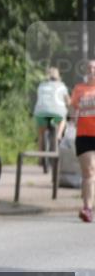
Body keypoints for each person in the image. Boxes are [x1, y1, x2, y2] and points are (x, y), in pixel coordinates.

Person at [69, 60, 95, 224]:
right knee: (89, 171)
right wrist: (72, 118)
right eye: (89, 68)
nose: (92, 70)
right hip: (85, 135)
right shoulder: (79, 89)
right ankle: (87, 208)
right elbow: (72, 109)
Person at [34, 66, 70, 152]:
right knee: (63, 119)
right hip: (57, 113)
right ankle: (58, 135)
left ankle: (40, 157)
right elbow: (68, 101)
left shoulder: (41, 85)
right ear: (58, 76)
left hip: (41, 112)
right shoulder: (62, 86)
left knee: (41, 134)